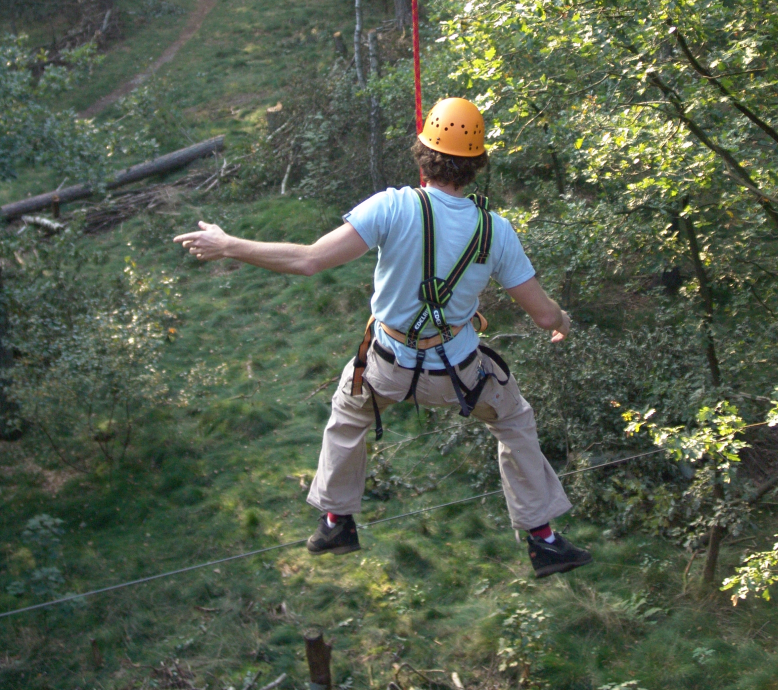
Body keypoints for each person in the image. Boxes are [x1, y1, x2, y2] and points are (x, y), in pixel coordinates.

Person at [174, 97, 591, 579]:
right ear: (477, 165)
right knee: (514, 421)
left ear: (423, 155)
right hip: (460, 373)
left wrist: (229, 246)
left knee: (348, 415)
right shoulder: (494, 230)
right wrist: (561, 320)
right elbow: (542, 315)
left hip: (387, 367)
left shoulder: (393, 206)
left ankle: (336, 521)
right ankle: (543, 541)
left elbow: (309, 260)